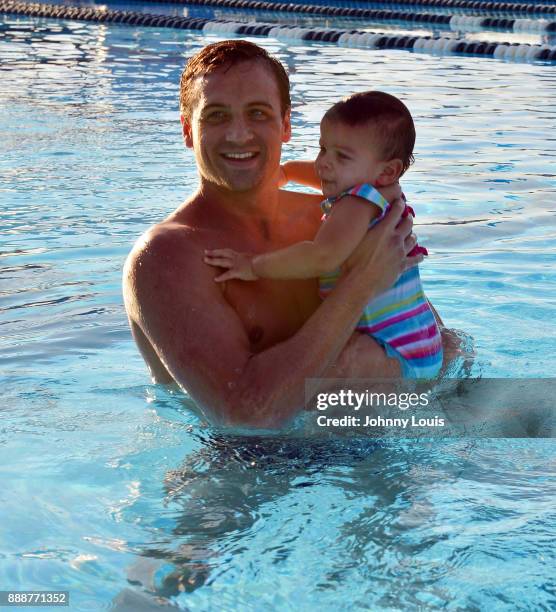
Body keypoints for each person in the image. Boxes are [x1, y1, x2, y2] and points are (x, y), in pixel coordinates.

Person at [122, 39, 457, 429]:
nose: (238, 134)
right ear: (187, 131)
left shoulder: (333, 221)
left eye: (258, 113)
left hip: (374, 443)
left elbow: (435, 340)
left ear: (285, 125)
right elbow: (247, 416)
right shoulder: (168, 256)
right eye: (216, 116)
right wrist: (361, 283)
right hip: (243, 473)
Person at [204, 91, 442, 379]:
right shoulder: (382, 192)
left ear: (388, 170)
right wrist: (287, 172)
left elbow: (322, 256)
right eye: (323, 148)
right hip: (421, 344)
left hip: (388, 352)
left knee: (321, 375)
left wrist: (254, 266)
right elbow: (331, 177)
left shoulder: (356, 203)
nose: (324, 163)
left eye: (341, 156)